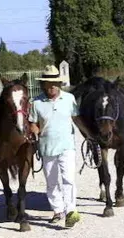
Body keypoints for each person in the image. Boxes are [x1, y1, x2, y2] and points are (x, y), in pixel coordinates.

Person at [28, 65, 94, 228]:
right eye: (48, 83)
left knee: (68, 179)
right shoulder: (36, 102)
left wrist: (88, 134)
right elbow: (32, 123)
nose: (52, 86)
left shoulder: (69, 98)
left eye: (55, 83)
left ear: (59, 83)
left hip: (67, 146)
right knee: (51, 181)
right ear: (43, 85)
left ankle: (71, 211)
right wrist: (36, 132)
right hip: (47, 147)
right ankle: (58, 210)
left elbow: (76, 118)